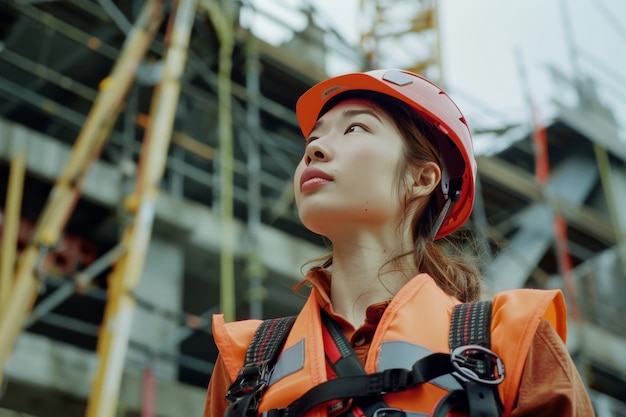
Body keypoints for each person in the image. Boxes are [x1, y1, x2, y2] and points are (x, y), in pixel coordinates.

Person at [203, 69, 594, 417]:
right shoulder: (245, 360)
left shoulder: (510, 339)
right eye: (315, 136)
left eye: (355, 128)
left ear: (421, 179)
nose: (313, 149)